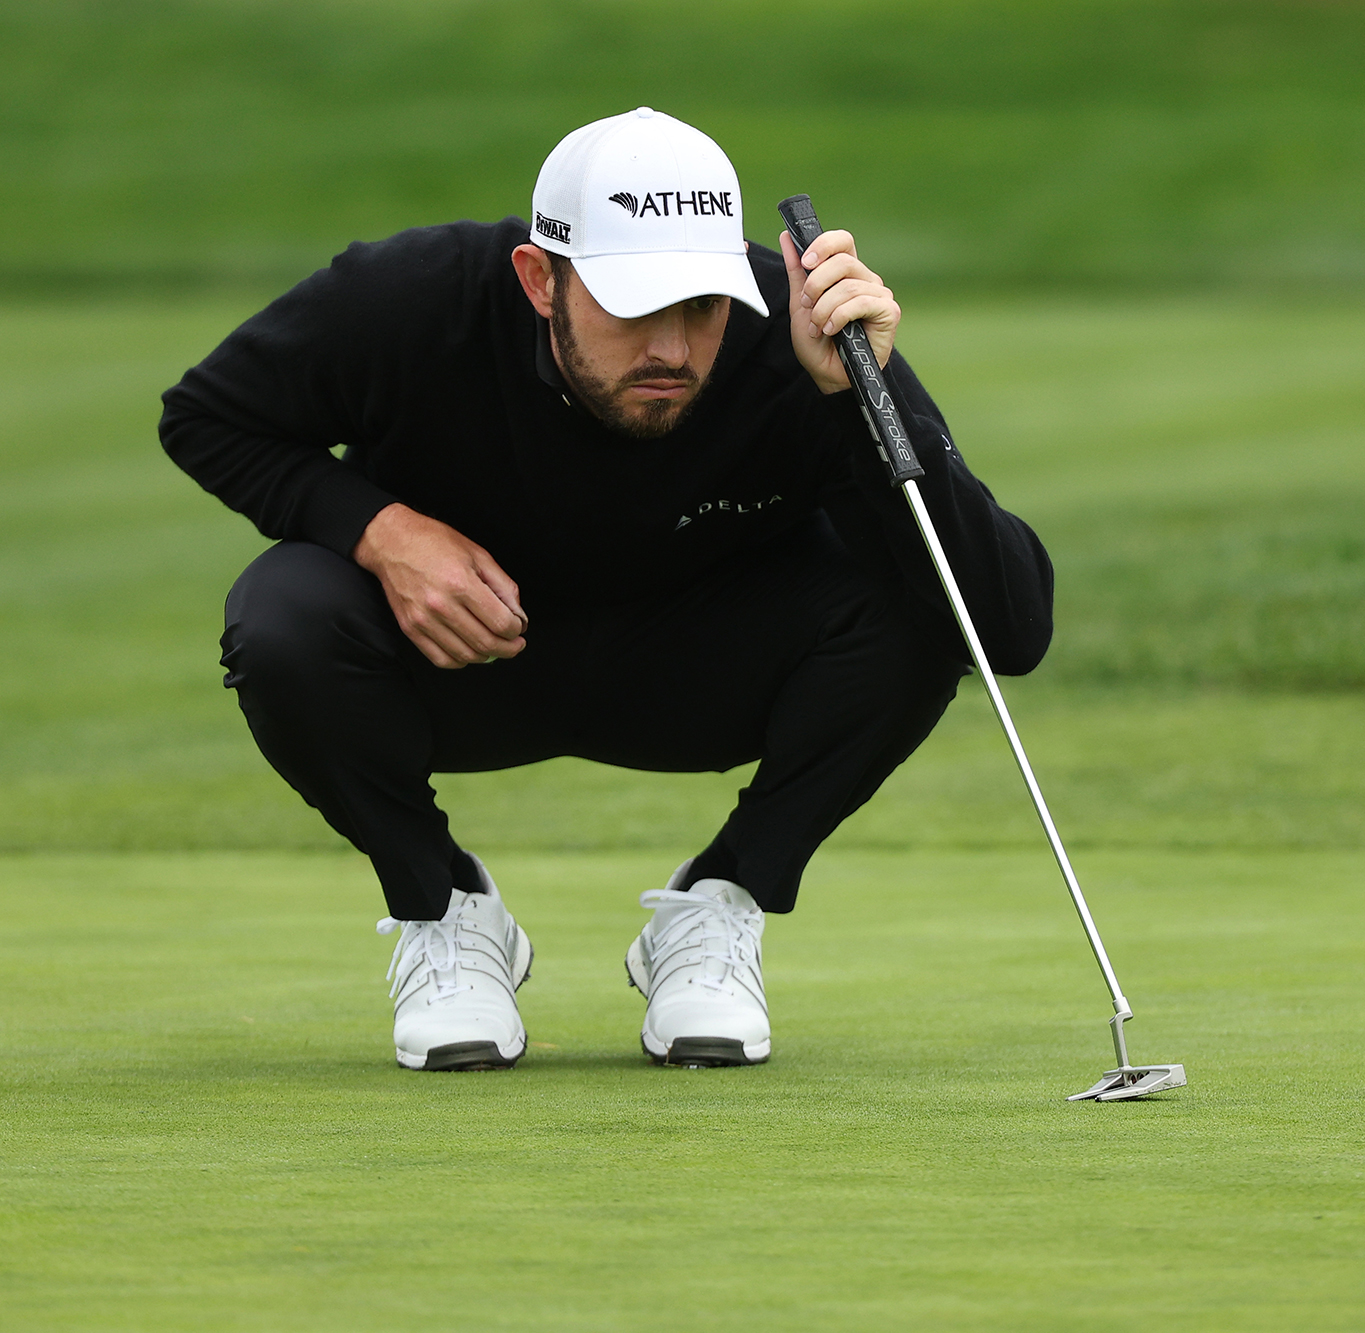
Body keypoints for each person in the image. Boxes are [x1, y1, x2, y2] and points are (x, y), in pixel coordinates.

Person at [158, 107, 1053, 1072]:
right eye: (635, 306)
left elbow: (1006, 625)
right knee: (282, 614)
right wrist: (381, 530)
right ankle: (442, 908)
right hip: (463, 660)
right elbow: (208, 415)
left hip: (699, 674)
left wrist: (860, 396)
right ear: (541, 279)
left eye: (702, 306)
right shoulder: (411, 301)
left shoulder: (799, 336)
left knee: (919, 604)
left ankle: (721, 903)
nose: (673, 347)